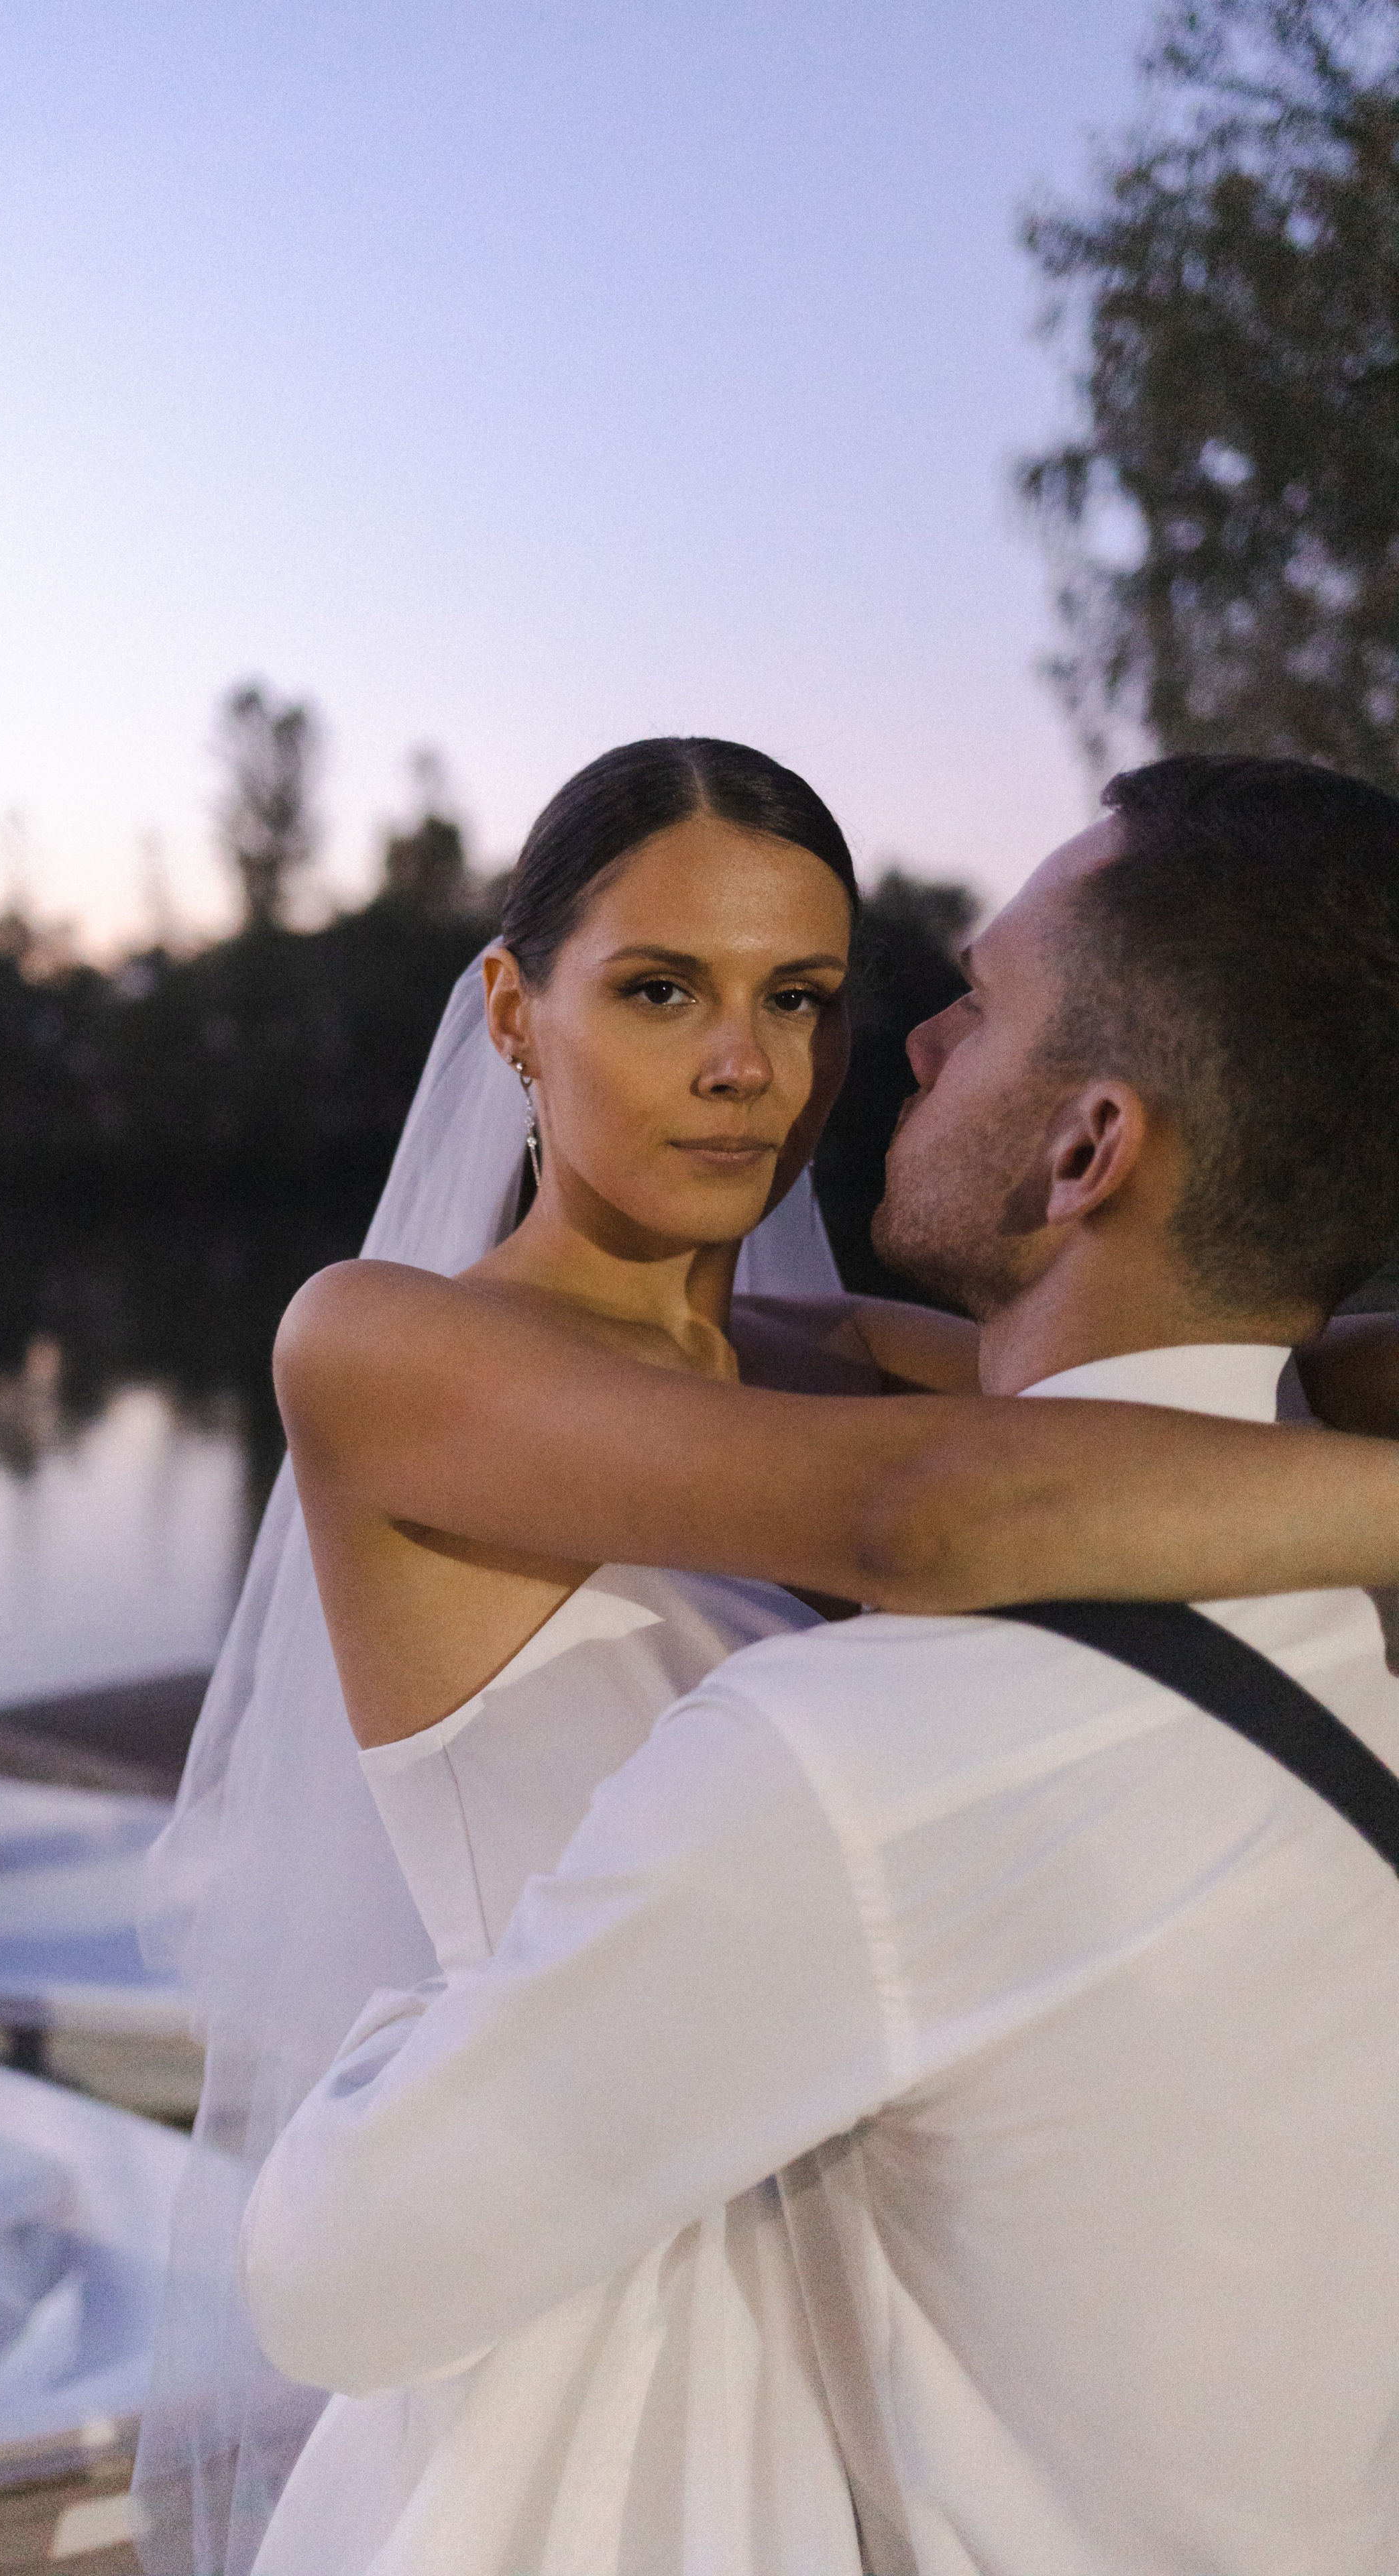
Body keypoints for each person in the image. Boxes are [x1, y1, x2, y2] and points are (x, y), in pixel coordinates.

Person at [243, 754, 1399, 2575]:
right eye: (658, 991)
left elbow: (1280, 1379)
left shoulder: (825, 1354)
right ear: (510, 1012)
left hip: (844, 2254)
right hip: (555, 2267)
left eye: (800, 1000)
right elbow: (922, 1522)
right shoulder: (387, 1348)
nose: (746, 1067)